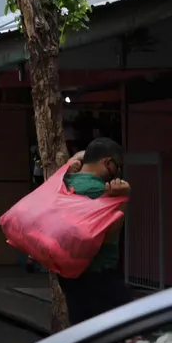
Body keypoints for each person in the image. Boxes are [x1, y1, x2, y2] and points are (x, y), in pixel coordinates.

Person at [59, 138, 131, 325]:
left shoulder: (64, 183)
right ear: (108, 163)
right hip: (98, 275)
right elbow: (108, 234)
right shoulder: (97, 190)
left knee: (83, 330)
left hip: (70, 275)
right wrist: (122, 198)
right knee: (125, 330)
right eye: (118, 165)